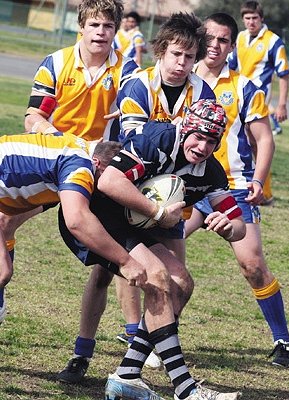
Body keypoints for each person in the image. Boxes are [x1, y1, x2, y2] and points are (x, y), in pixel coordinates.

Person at [60, 11, 218, 381]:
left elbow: (196, 139)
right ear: (160, 51)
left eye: (190, 57)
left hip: (168, 192)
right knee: (104, 273)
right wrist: (178, 131)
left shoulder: (203, 91)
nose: (182, 64)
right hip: (125, 188)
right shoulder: (137, 85)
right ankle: (83, 353)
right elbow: (139, 144)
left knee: (178, 281)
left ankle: (136, 355)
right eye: (176, 54)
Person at [59, 99, 245, 400]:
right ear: (185, 129)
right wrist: (158, 214)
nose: (202, 147)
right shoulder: (155, 142)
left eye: (212, 141)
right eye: (198, 136)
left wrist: (227, 225)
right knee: (156, 277)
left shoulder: (210, 172)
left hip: (132, 225)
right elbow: (108, 181)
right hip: (97, 218)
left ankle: (127, 374)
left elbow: (240, 227)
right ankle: (186, 390)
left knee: (182, 284)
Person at [0, 0, 148, 379]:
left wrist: (128, 126)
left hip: (98, 170)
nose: (101, 32)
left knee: (111, 254)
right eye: (95, 24)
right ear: (80, 27)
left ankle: (131, 342)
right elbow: (34, 115)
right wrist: (56, 138)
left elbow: (135, 118)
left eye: (108, 26)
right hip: (57, 164)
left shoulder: (126, 69)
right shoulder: (57, 62)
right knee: (4, 221)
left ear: (117, 30)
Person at [187, 12, 289, 368]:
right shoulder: (181, 80)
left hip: (232, 188)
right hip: (186, 187)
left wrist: (257, 180)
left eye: (223, 40)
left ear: (231, 46)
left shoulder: (245, 87)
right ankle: (148, 334)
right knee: (160, 255)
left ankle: (283, 341)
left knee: (252, 265)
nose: (215, 46)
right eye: (210, 38)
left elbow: (264, 140)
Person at [0, 133, 149, 294]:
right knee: (3, 271)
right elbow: (77, 221)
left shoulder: (79, 147)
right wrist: (125, 261)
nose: (109, 190)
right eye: (110, 178)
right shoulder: (80, 167)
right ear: (97, 163)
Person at [228, 0, 289, 205]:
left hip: (258, 101)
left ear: (261, 18)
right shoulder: (240, 37)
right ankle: (240, 185)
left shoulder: (274, 41)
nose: (251, 22)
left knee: (258, 145)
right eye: (247, 18)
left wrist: (281, 103)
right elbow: (232, 66)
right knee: (239, 141)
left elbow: (283, 74)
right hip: (237, 96)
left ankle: (264, 191)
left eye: (254, 18)